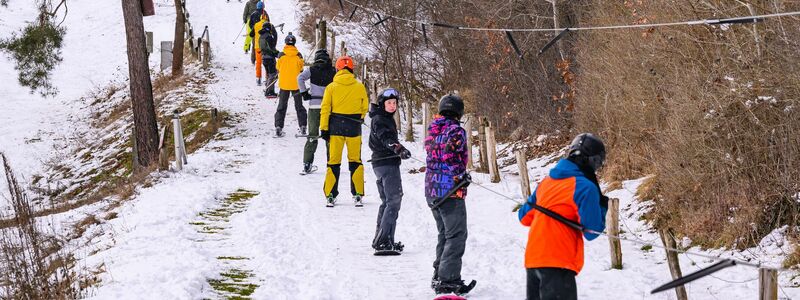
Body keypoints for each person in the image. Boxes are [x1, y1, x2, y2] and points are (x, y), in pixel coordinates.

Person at [517, 133, 608, 300]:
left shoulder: (547, 182)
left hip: (533, 260)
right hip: (558, 263)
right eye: (599, 163)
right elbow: (592, 231)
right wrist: (602, 205)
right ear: (593, 161)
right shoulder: (585, 187)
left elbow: (523, 217)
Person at [425, 94, 475, 295]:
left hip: (432, 190)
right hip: (449, 192)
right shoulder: (456, 131)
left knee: (444, 234)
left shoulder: (433, 129)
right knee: (456, 235)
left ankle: (439, 275)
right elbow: (450, 156)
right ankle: (448, 279)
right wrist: (461, 175)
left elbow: (437, 155)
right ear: (459, 112)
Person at [320, 56, 369, 207]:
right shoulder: (359, 86)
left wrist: (324, 128)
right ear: (351, 69)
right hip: (354, 128)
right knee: (355, 161)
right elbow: (364, 107)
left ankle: (330, 194)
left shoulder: (331, 87)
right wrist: (359, 117)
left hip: (335, 128)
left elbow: (325, 109)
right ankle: (358, 194)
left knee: (333, 162)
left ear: (338, 69)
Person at [368, 88, 411, 254]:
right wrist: (398, 149)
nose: (393, 106)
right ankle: (383, 241)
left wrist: (398, 149)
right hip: (386, 163)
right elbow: (386, 138)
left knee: (387, 201)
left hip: (383, 163)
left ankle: (382, 238)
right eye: (389, 103)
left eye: (394, 103)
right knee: (394, 200)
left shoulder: (384, 117)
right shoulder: (380, 119)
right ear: (382, 104)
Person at [297, 49, 336, 174]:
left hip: (314, 106)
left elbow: (300, 78)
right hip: (329, 108)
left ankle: (307, 163)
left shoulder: (312, 70)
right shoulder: (334, 71)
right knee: (329, 136)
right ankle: (331, 163)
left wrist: (304, 93)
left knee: (312, 136)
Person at [274, 33, 306, 137]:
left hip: (284, 85)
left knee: (282, 106)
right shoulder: (298, 55)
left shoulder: (281, 55)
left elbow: (277, 68)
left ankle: (279, 126)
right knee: (299, 106)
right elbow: (301, 69)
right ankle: (303, 126)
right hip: (296, 85)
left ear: (286, 43)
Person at [258, 19, 279, 98]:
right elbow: (272, 48)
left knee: (269, 75)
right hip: (270, 58)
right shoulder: (269, 37)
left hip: (264, 58)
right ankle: (269, 91)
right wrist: (278, 54)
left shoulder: (261, 37)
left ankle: (269, 90)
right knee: (273, 75)